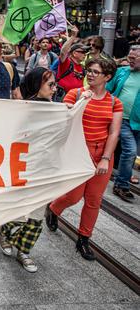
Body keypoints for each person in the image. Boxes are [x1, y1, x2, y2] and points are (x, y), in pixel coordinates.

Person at [46, 58, 123, 260]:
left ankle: (84, 238)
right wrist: (82, 101)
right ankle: (53, 208)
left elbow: (114, 133)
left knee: (93, 200)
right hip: (78, 153)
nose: (90, 74)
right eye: (90, 70)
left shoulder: (115, 102)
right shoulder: (76, 93)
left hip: (102, 154)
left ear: (107, 77)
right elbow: (64, 119)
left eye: (96, 72)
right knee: (73, 196)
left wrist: (106, 158)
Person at [0, 67, 58, 273]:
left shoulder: (56, 110)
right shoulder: (21, 110)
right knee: (15, 210)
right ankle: (5, 233)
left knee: (36, 214)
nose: (54, 88)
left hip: (43, 170)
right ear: (36, 85)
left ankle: (24, 251)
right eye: (50, 85)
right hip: (21, 168)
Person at [107, 46, 140, 202]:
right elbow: (107, 89)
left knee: (129, 153)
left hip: (137, 123)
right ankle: (121, 185)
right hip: (120, 118)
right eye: (129, 58)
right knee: (130, 150)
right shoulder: (122, 72)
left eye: (133, 59)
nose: (129, 61)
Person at [56, 25, 87, 100]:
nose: (85, 54)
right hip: (63, 97)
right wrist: (73, 37)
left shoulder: (82, 68)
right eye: (82, 52)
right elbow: (63, 52)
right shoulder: (67, 63)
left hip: (76, 98)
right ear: (74, 53)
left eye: (85, 52)